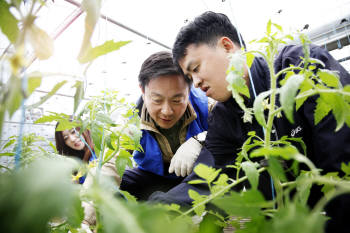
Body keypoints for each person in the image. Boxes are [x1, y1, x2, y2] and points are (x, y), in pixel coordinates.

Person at [148, 11, 350, 233]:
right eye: (189, 77)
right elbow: (208, 179)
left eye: (195, 68)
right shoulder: (224, 116)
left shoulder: (298, 67)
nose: (195, 83)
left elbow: (340, 152)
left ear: (227, 47)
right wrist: (154, 212)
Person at [119, 51, 213, 201]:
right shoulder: (132, 122)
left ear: (189, 91)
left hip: (194, 178)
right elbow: (110, 161)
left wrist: (199, 139)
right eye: (157, 100)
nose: (167, 111)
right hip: (154, 179)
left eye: (177, 100)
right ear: (143, 91)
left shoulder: (206, 105)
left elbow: (230, 131)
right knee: (119, 182)